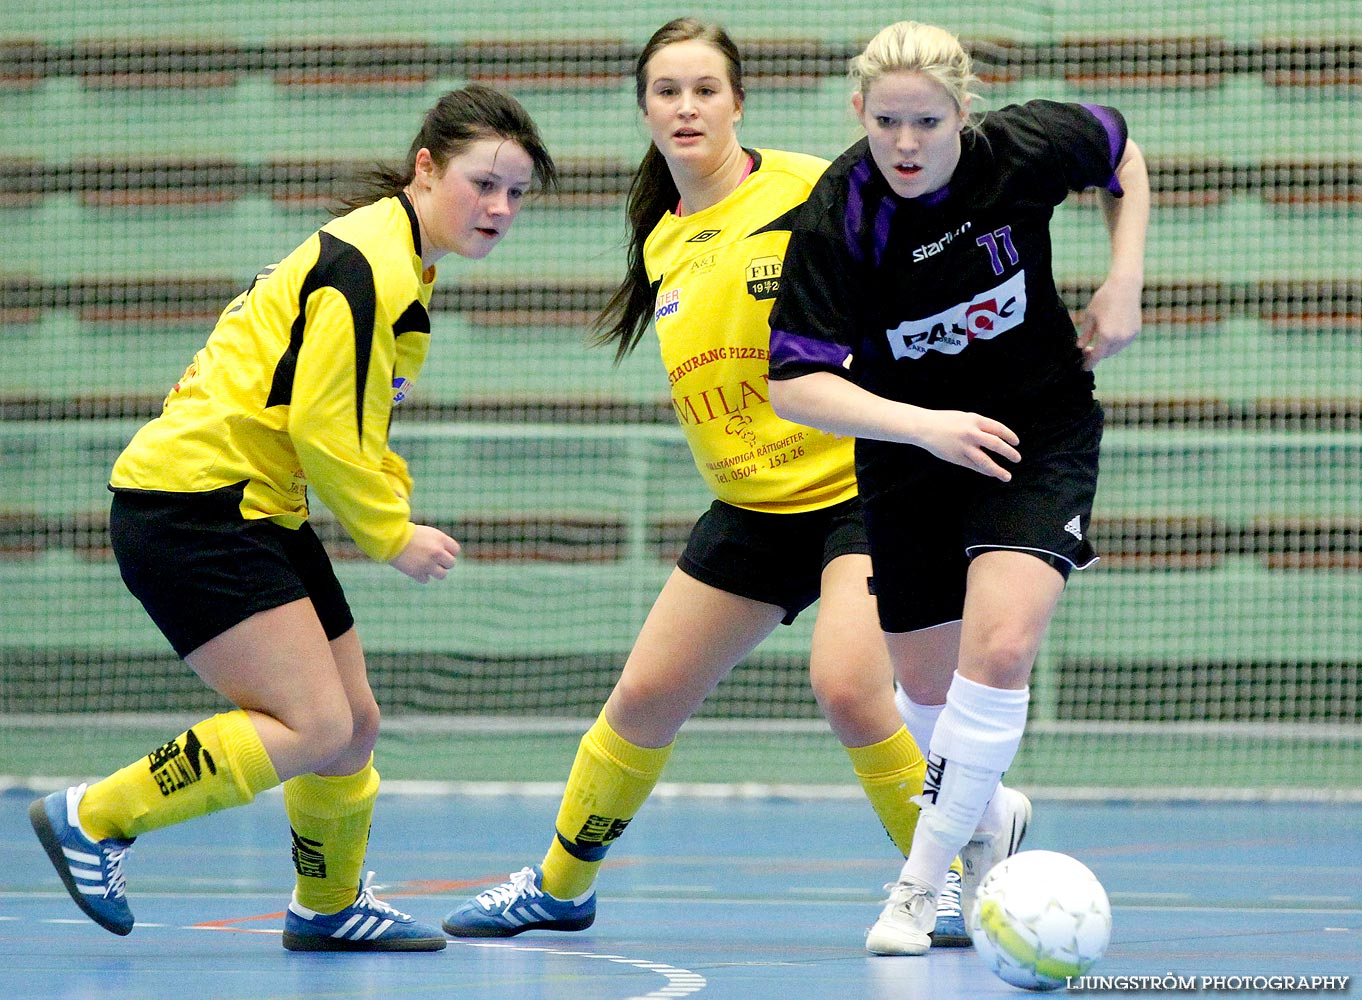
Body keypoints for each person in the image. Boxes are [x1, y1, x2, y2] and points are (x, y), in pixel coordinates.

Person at [441, 17, 984, 955]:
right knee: (644, 698)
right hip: (750, 506)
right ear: (644, 108)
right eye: (666, 91)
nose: (686, 107)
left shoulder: (815, 187)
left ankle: (940, 883)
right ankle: (562, 888)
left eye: (705, 89)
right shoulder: (662, 240)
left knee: (851, 688)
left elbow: (922, 262)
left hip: (858, 487)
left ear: (739, 101)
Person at [28, 84, 557, 952]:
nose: (499, 208)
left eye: (517, 194)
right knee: (313, 725)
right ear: (426, 167)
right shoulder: (370, 264)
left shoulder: (400, 262)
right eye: (483, 183)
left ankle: (329, 905)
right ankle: (96, 817)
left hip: (259, 507)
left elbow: (355, 420)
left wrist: (384, 499)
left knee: (354, 722)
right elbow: (324, 425)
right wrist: (392, 533)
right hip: (193, 507)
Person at [766, 20, 1150, 956]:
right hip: (908, 458)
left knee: (1003, 644)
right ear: (859, 111)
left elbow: (1122, 152)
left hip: (1038, 433)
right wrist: (926, 427)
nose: (905, 144)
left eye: (926, 123)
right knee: (927, 698)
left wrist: (1125, 277)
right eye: (887, 121)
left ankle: (915, 884)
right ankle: (988, 817)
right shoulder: (839, 213)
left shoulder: (1021, 149)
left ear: (962, 113)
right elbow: (792, 382)